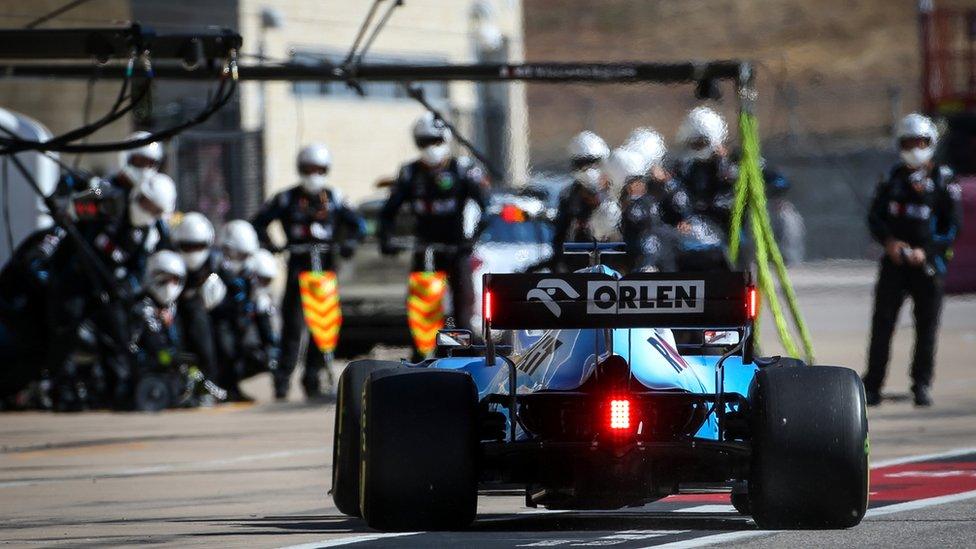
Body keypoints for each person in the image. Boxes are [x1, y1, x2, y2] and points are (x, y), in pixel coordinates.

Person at [863, 113, 962, 407]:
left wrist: (927, 251)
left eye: (920, 142)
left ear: (930, 143)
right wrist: (890, 242)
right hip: (894, 263)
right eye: (908, 142)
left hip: (928, 266)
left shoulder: (944, 180)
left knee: (927, 328)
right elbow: (874, 217)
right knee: (882, 325)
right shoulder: (891, 178)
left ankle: (921, 384)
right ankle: (873, 385)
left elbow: (952, 227)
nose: (914, 148)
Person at [252, 144, 364, 400]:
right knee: (292, 328)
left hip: (325, 271)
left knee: (322, 325)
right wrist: (271, 245)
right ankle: (282, 380)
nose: (313, 174)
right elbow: (258, 223)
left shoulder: (335, 198)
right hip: (298, 269)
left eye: (319, 169)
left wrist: (347, 244)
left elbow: (357, 226)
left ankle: (313, 377)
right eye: (307, 169)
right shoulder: (286, 198)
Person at [378, 113, 489, 335]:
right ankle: (422, 356)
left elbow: (487, 208)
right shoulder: (410, 173)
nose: (431, 147)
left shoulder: (462, 169)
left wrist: (472, 239)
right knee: (421, 312)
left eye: (435, 141)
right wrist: (387, 239)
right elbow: (388, 212)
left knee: (463, 309)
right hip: (425, 248)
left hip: (457, 248)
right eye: (425, 142)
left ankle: (464, 354)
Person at [172, 213, 226, 388]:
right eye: (187, 246)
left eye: (198, 246)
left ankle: (210, 382)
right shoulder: (169, 257)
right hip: (173, 309)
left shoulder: (216, 262)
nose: (193, 251)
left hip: (202, 310)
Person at [210, 220, 261, 402]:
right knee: (226, 349)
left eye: (245, 254)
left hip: (240, 320)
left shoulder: (249, 271)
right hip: (220, 320)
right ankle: (223, 387)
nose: (241, 259)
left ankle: (233, 386)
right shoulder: (214, 265)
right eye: (238, 254)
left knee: (252, 353)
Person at [673, 107, 737, 240]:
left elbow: (730, 195)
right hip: (700, 222)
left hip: (725, 224)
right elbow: (685, 197)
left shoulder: (731, 164)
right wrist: (688, 220)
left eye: (701, 143)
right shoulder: (690, 167)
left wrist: (723, 163)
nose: (698, 147)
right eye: (695, 143)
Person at [550, 130, 611, 269]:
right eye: (583, 164)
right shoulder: (569, 196)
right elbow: (561, 234)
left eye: (594, 163)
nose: (589, 170)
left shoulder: (614, 193)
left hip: (611, 261)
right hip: (578, 264)